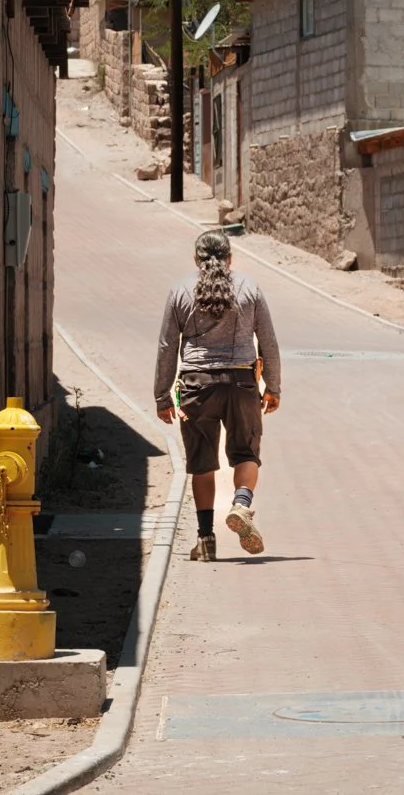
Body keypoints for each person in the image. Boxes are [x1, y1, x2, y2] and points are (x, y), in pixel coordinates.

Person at [155, 231, 281, 561]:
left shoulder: (181, 290)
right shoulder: (249, 288)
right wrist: (273, 387)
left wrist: (162, 396)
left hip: (196, 385)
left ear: (196, 259)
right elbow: (268, 341)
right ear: (230, 257)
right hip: (242, 383)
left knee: (202, 463)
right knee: (246, 453)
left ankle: (206, 541)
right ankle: (241, 505)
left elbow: (168, 347)